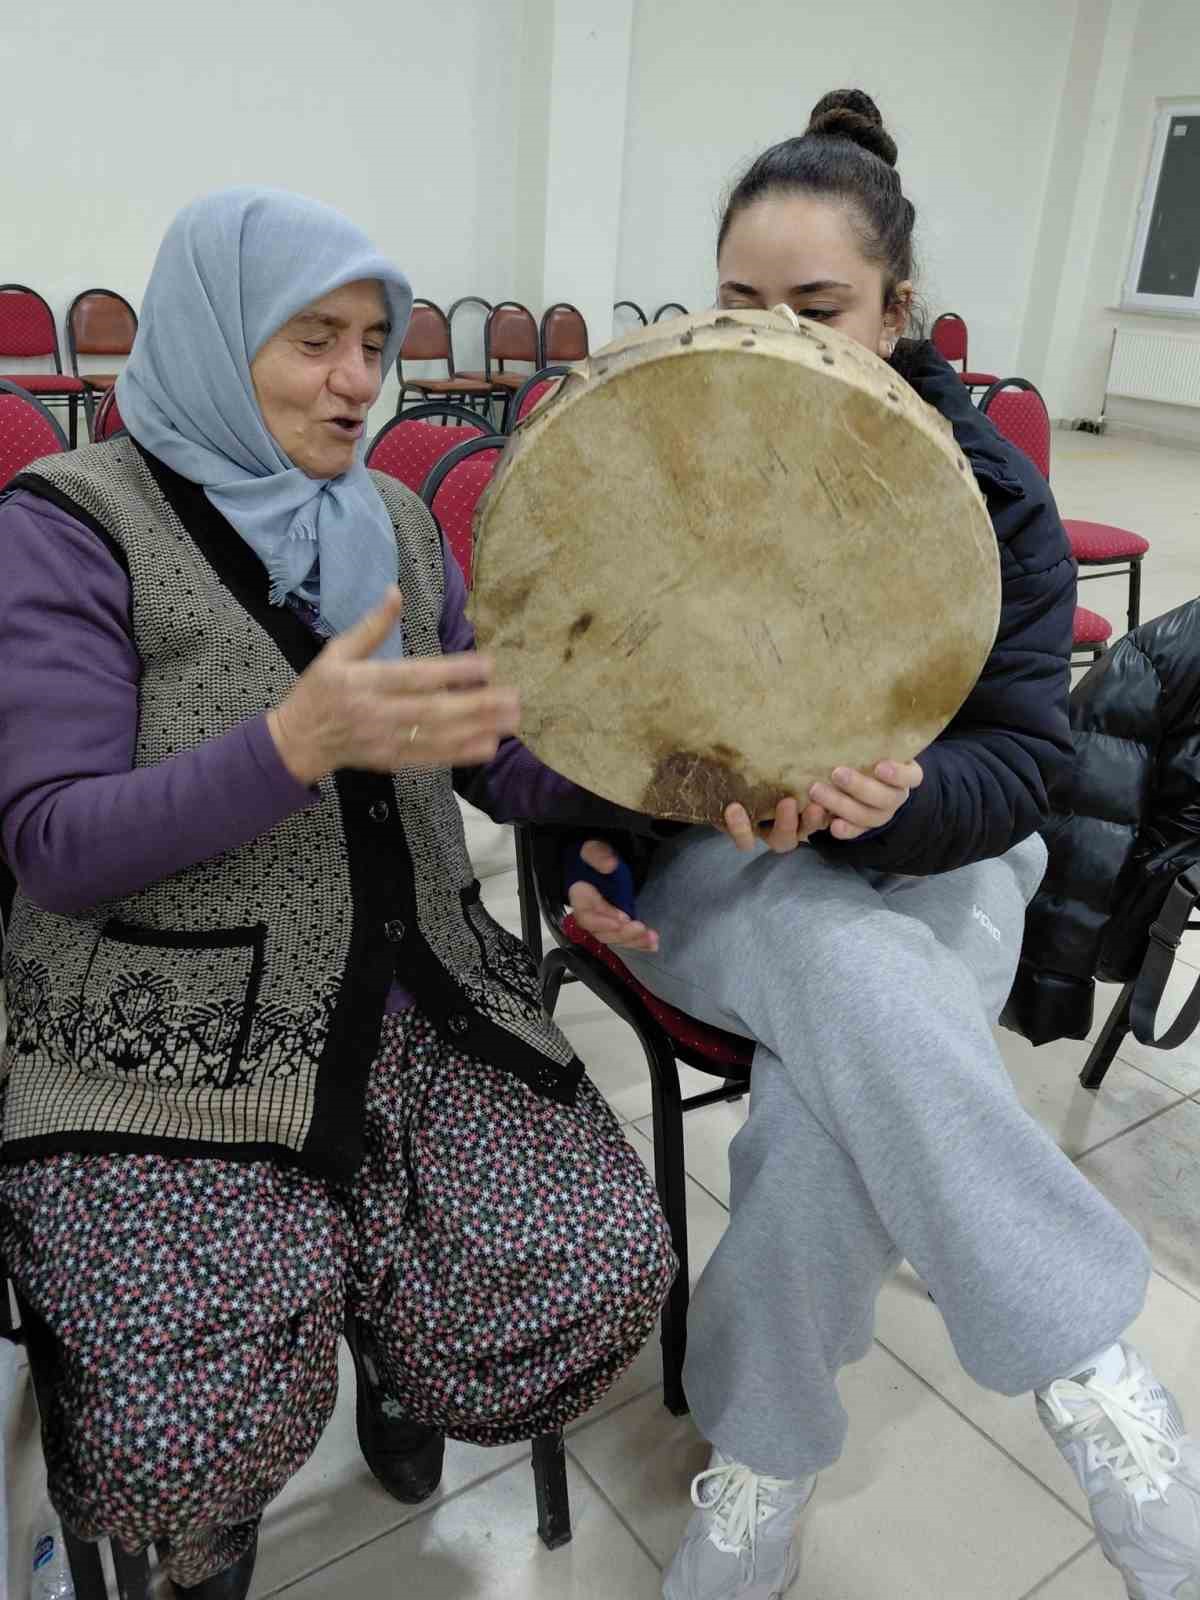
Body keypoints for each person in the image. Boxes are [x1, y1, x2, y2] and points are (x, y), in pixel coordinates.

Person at [566, 91, 1199, 1600]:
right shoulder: (653, 463)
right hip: (730, 874)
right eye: (738, 304)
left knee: (821, 1113)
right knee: (860, 983)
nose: (771, 340)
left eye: (817, 308)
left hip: (949, 860)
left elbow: (1025, 764)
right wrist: (601, 850)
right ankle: (1094, 1374)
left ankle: (763, 1464)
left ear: (898, 312)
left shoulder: (990, 493)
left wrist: (898, 803)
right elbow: (567, 714)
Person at [0, 188, 675, 1599]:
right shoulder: (72, 524)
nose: (358, 381)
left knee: (597, 1267)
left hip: (418, 994)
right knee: (184, 1415)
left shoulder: (396, 524)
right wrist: (289, 746)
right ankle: (209, 1533)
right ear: (214, 336)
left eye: (376, 343)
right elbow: (52, 841)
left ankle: (397, 1355)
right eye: (314, 341)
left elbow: (496, 754)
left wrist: (663, 780)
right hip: (167, 1036)